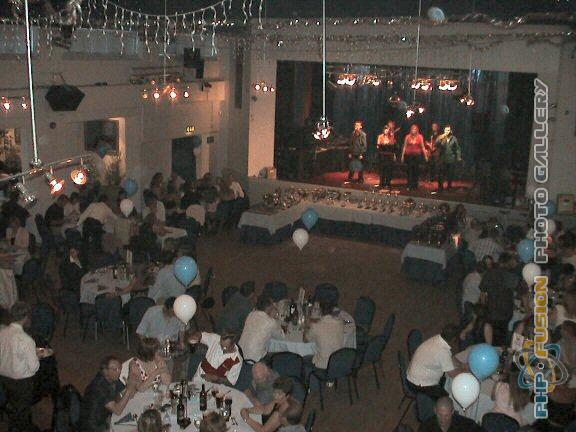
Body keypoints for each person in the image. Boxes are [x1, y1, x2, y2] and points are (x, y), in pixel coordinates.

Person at [0, 302, 40, 431]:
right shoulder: (26, 340)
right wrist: (37, 357)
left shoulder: (2, 332)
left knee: (13, 405)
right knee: (22, 410)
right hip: (21, 382)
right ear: (26, 317)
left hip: (4, 379)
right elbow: (34, 367)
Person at [79, 355, 140, 432]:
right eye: (115, 369)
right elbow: (117, 410)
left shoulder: (113, 378)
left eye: (120, 368)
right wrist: (128, 391)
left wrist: (131, 379)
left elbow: (131, 395)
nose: (119, 371)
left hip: (107, 417)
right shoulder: (99, 387)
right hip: (94, 426)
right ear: (105, 371)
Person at [407, 324, 466, 400]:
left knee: (445, 379)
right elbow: (452, 374)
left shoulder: (438, 339)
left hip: (415, 374)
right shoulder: (443, 352)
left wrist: (461, 365)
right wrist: (466, 371)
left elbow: (449, 357)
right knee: (446, 400)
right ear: (454, 339)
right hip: (418, 384)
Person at [480, 252, 519, 346]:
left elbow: (482, 293)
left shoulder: (490, 273)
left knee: (489, 336)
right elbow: (519, 290)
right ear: (508, 262)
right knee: (502, 337)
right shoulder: (511, 275)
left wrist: (484, 306)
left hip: (491, 310)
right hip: (505, 312)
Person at [239, 294, 283, 362]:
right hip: (255, 359)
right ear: (268, 307)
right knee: (278, 355)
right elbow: (281, 336)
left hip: (240, 354)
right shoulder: (270, 322)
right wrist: (274, 318)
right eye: (272, 305)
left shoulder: (251, 314)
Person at [305, 300, 344, 370]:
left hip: (322, 365)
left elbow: (305, 340)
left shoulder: (316, 326)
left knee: (304, 358)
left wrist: (307, 326)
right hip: (337, 362)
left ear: (320, 311)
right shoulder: (340, 322)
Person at [401, 124, 427, 191]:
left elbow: (423, 146)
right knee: (409, 170)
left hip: (417, 156)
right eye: (412, 129)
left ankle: (415, 185)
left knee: (416, 170)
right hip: (409, 156)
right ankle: (409, 185)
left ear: (417, 130)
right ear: (411, 130)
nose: (413, 130)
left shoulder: (420, 137)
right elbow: (404, 146)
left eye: (415, 129)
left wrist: (425, 156)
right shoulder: (407, 136)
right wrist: (402, 156)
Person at [436, 125, 462, 192]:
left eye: (448, 130)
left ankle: (449, 187)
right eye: (445, 130)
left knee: (450, 174)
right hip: (442, 158)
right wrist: (441, 137)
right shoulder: (441, 137)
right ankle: (440, 187)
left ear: (450, 131)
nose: (447, 131)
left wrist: (458, 157)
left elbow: (457, 148)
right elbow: (436, 144)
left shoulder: (454, 138)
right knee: (441, 174)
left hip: (451, 158)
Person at [376, 124, 397, 189]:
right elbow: (378, 145)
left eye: (388, 130)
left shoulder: (391, 137)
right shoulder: (380, 136)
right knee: (382, 169)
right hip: (382, 155)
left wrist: (391, 138)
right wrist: (383, 144)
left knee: (389, 170)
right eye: (385, 129)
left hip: (389, 156)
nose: (386, 131)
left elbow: (393, 145)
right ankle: (381, 183)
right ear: (383, 130)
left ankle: (388, 183)